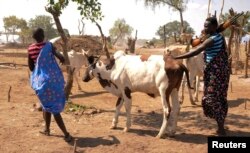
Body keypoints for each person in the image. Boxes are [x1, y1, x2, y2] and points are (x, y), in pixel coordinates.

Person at [174, 17, 230, 136]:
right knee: (220, 98)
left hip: (215, 73)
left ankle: (221, 129)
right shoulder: (219, 37)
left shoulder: (212, 40)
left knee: (211, 99)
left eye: (207, 26)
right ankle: (221, 126)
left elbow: (196, 51)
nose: (204, 28)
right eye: (204, 26)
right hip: (221, 72)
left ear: (214, 27)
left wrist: (175, 58)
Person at [28, 28, 72, 142]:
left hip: (40, 83)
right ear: (43, 35)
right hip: (53, 81)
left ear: (34, 38)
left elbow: (31, 68)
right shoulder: (49, 46)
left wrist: (40, 67)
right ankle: (66, 134)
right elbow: (61, 57)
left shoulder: (31, 49)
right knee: (54, 108)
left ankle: (48, 129)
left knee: (46, 105)